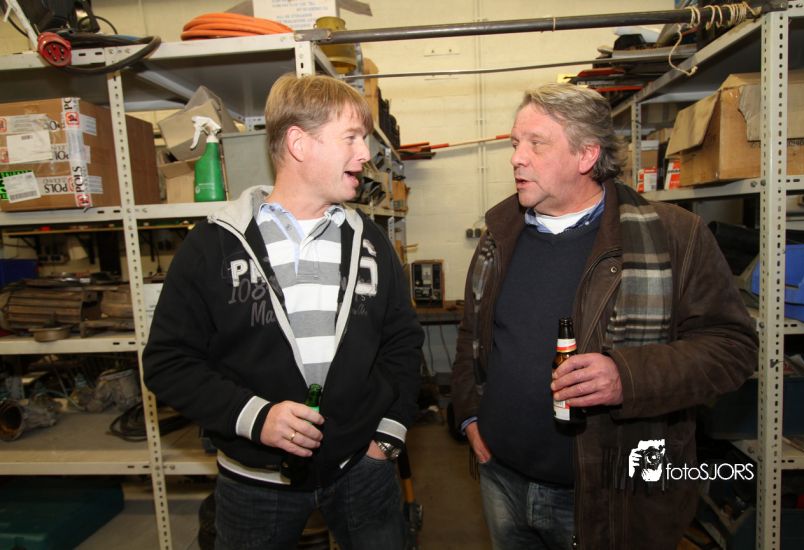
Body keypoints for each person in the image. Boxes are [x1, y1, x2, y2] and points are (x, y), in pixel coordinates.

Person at [450, 83, 757, 550]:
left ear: (587, 155)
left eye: (536, 143)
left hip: (606, 495)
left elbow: (732, 349)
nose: (517, 158)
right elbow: (472, 333)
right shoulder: (500, 234)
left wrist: (626, 376)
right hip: (501, 479)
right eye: (515, 143)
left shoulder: (675, 236)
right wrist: (469, 416)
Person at [143, 74, 423, 550]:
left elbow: (403, 341)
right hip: (255, 485)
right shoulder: (213, 245)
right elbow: (167, 362)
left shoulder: (370, 243)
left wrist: (389, 436)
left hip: (362, 469)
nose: (365, 154)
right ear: (298, 143)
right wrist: (256, 418)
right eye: (351, 138)